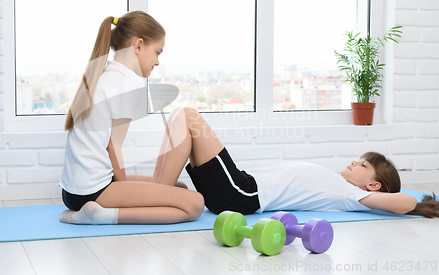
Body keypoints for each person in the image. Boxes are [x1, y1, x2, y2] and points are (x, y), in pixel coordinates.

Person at [149, 106, 439, 218]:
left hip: (244, 193)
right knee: (180, 117)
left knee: (187, 116)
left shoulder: (355, 195)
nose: (355, 162)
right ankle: (156, 191)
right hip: (240, 187)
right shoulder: (342, 184)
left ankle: (153, 195)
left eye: (363, 165)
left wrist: (419, 204)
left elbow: (401, 202)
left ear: (373, 185)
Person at [59, 11, 204, 225]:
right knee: (195, 204)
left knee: (178, 188)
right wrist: (125, 191)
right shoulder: (126, 83)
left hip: (73, 191)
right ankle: (100, 215)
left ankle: (89, 212)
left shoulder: (107, 74)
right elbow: (113, 148)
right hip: (94, 191)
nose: (157, 61)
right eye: (157, 52)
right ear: (138, 46)